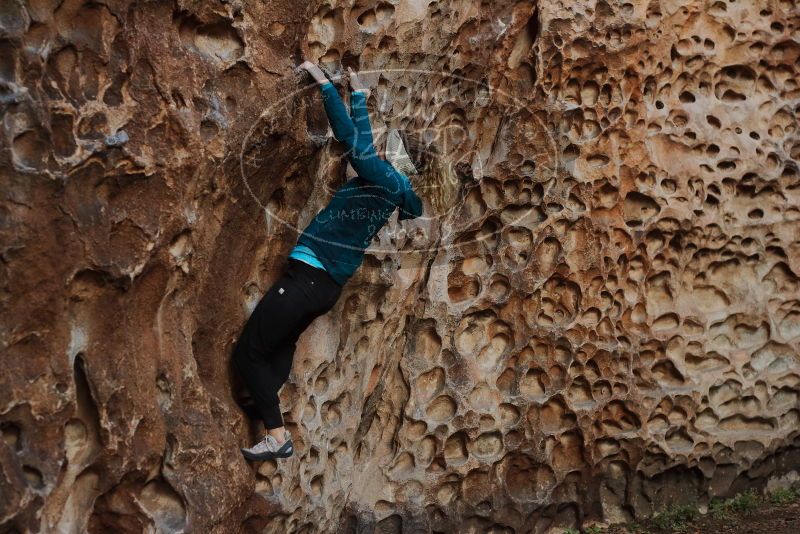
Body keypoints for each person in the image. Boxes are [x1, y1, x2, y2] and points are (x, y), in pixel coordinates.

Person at [233, 61, 426, 461]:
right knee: (277, 345)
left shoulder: (385, 179)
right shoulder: (394, 186)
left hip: (309, 279)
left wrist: (324, 85)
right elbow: (363, 143)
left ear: (400, 160)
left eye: (397, 149)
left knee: (249, 351)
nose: (389, 149)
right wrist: (357, 95)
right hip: (321, 287)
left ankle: (276, 436)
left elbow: (353, 141)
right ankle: (260, 399)